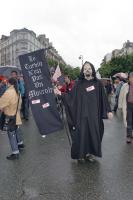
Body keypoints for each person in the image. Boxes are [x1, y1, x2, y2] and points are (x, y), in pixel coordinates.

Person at [54, 61, 113, 163]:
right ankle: (81, 154)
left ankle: (90, 154)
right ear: (83, 71)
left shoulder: (98, 83)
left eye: (89, 68)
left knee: (94, 134)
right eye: (85, 68)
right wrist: (60, 93)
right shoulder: (79, 84)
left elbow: (103, 98)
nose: (87, 70)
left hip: (94, 116)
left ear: (92, 70)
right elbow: (71, 97)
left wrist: (108, 110)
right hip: (81, 115)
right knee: (81, 134)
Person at [0, 78, 24, 160]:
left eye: (7, 82)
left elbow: (1, 103)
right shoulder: (18, 92)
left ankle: (15, 152)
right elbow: (20, 104)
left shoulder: (8, 92)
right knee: (16, 130)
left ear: (10, 83)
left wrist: (4, 108)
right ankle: (20, 144)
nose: (6, 84)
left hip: (9, 115)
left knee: (11, 134)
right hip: (16, 114)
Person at [118, 72, 133, 143]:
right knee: (129, 121)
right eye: (131, 78)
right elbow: (121, 96)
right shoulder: (125, 86)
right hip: (128, 106)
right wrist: (120, 106)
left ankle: (131, 133)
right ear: (129, 79)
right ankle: (128, 136)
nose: (132, 79)